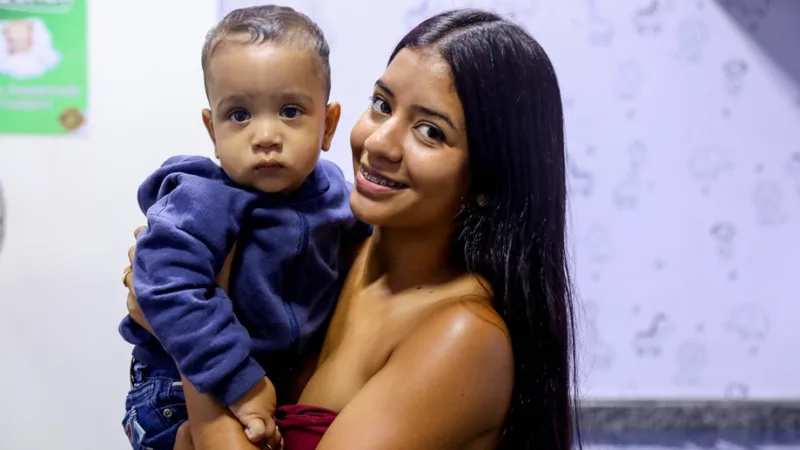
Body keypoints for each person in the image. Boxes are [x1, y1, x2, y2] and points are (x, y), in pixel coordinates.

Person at [123, 8, 580, 450]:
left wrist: (184, 342)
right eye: (382, 104)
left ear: (488, 179)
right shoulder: (331, 252)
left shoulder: (463, 337)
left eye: (430, 132)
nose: (378, 142)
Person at [117, 5, 369, 450]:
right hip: (174, 387)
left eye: (291, 111)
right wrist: (243, 384)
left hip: (269, 379)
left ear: (328, 125)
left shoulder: (334, 193)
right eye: (239, 115)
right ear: (212, 130)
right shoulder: (201, 199)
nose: (266, 135)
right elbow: (162, 287)